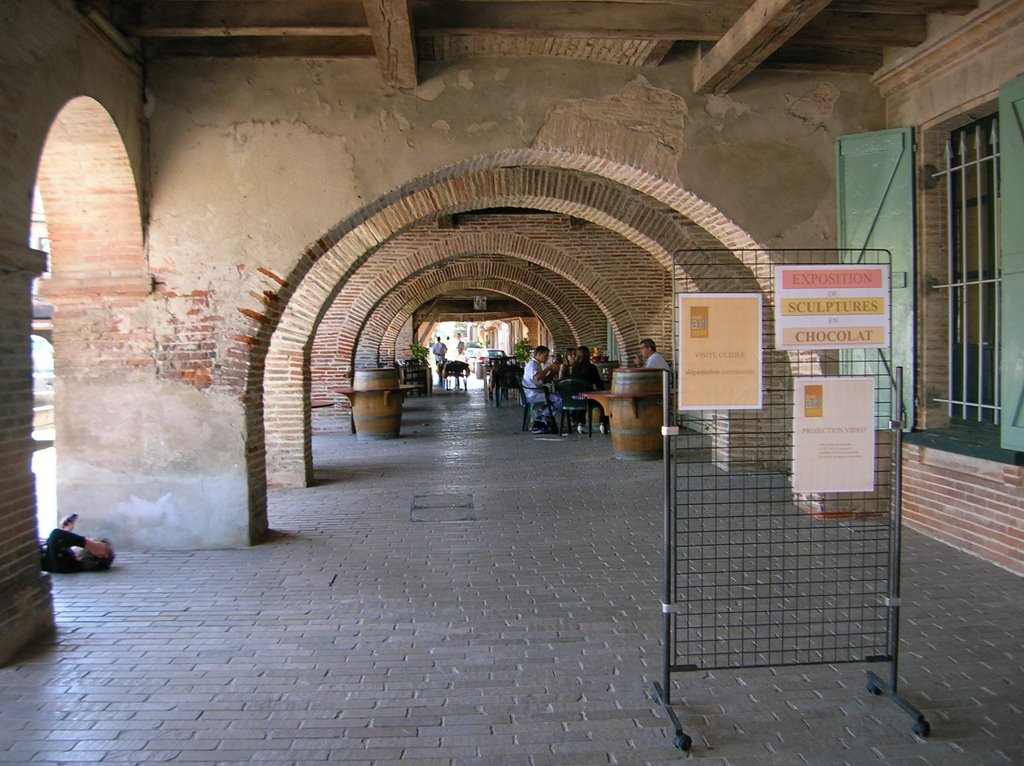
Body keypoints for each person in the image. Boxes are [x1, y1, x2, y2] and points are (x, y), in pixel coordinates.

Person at [40, 514, 113, 573]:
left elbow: (56, 536)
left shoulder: (66, 564)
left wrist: (90, 545)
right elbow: (57, 542)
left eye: (91, 540)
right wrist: (66, 530)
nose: (87, 538)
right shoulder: (69, 559)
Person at [570, 345, 608, 433]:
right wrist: (605, 391)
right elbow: (598, 384)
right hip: (589, 397)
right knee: (603, 401)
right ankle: (603, 424)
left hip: (576, 397)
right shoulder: (592, 367)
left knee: (582, 398)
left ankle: (580, 424)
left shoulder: (574, 368)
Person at [522, 345, 562, 427]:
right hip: (533, 394)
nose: (547, 358)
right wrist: (548, 368)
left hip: (537, 391)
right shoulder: (532, 365)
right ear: (539, 354)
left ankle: (541, 414)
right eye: (546, 356)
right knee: (560, 399)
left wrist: (552, 372)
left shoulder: (538, 364)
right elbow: (537, 378)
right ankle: (541, 416)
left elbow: (543, 381)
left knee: (555, 398)